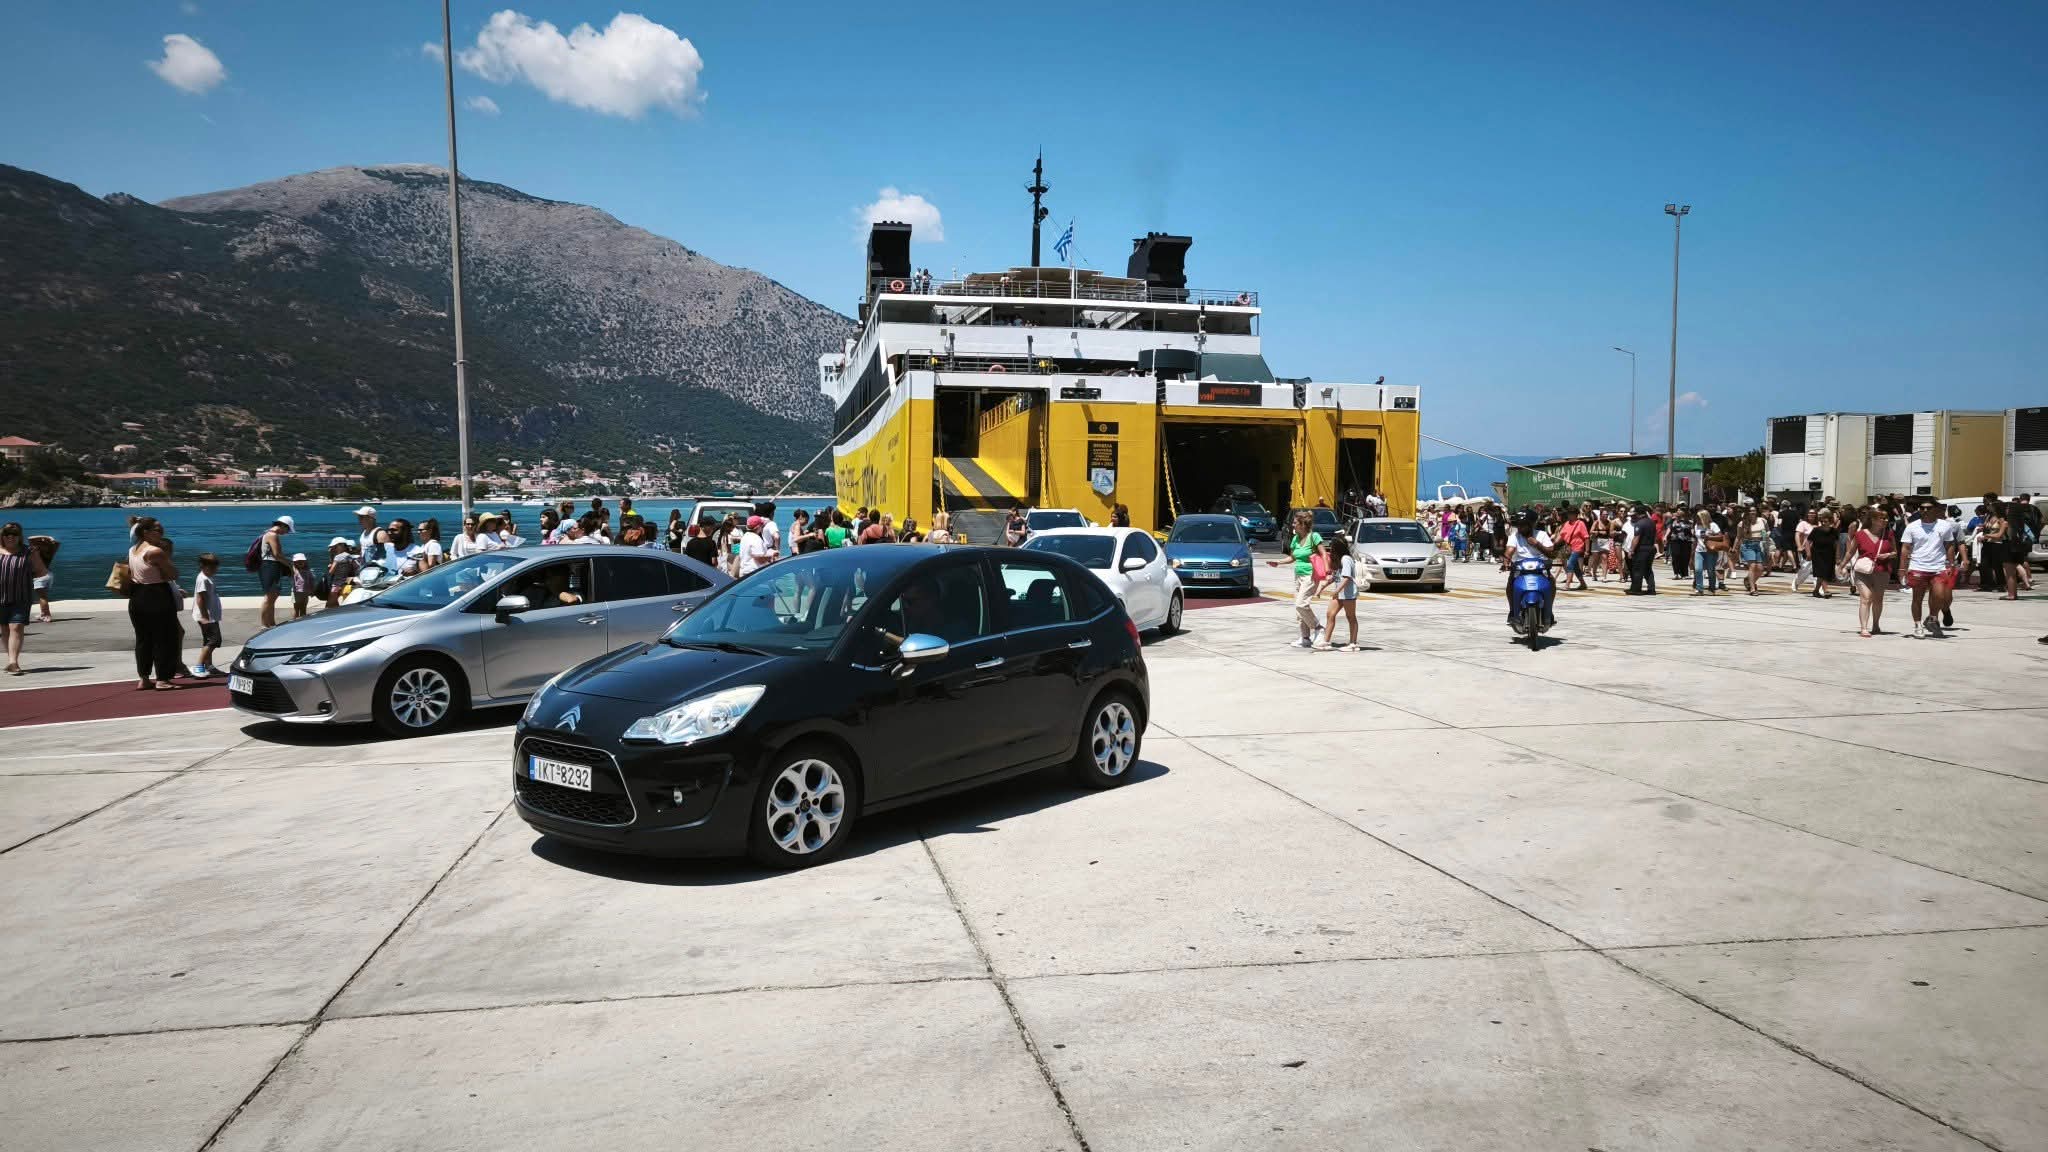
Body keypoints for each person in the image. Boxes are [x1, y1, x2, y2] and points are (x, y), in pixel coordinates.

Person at [127, 517, 183, 690]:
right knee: (165, 637)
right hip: (157, 595)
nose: (161, 533)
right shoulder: (155, 551)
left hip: (137, 596)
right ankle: (163, 679)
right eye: (158, 530)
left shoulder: (133, 549)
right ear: (145, 532)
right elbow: (173, 574)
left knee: (143, 639)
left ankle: (144, 678)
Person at [1899, 500, 1960, 638]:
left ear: (1935, 509)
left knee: (1940, 595)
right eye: (1922, 508)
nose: (1925, 511)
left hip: (1938, 566)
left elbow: (1949, 545)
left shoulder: (1944, 525)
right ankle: (1918, 625)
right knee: (1917, 598)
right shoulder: (1912, 527)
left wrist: (1952, 564)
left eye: (1928, 508)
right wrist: (1902, 568)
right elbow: (1905, 548)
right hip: (1918, 566)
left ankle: (1932, 618)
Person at [0, 522, 50, 676]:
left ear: (19, 536)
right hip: (1, 598)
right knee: (4, 628)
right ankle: (10, 659)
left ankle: (13, 662)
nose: (10, 537)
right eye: (7, 534)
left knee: (16, 627)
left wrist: (26, 574)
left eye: (14, 534)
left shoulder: (29, 552)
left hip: (21, 597)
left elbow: (42, 572)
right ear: (2, 536)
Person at [1273, 509, 1324, 649]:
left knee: (1301, 604)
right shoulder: (1295, 539)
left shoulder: (1314, 537)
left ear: (1302, 524)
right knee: (1299, 610)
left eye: (1295, 522)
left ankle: (1318, 627)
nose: (1293, 525)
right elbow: (1293, 557)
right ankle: (1305, 638)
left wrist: (1327, 573)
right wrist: (1278, 562)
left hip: (1310, 575)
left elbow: (1324, 554)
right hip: (1298, 575)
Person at [1504, 509, 1557, 632]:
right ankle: (1512, 611)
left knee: (1552, 582)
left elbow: (1551, 552)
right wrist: (1506, 561)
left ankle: (1549, 610)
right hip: (1520, 568)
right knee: (1510, 584)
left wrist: (1537, 544)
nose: (1520, 528)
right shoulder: (1514, 536)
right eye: (1519, 525)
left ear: (1531, 524)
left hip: (1540, 568)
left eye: (1523, 525)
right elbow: (1509, 550)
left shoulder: (1541, 535)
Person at [1849, 506, 1895, 638]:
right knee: (1866, 597)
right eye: (1882, 518)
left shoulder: (1889, 534)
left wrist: (1887, 555)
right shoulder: (1860, 534)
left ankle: (1875, 625)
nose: (1885, 520)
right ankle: (1864, 628)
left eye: (1886, 518)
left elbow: (1895, 552)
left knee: (1878, 599)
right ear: (1873, 520)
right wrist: (1841, 565)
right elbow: (1851, 552)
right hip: (1863, 570)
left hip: (1882, 570)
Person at [1314, 533, 1361, 651]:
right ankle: (1326, 641)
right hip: (1339, 594)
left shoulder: (1346, 559)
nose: (1331, 549)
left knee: (1350, 617)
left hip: (1348, 593)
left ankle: (1353, 644)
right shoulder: (1339, 560)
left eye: (1332, 547)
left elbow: (1347, 577)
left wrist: (1336, 591)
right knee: (1330, 614)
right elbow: (1335, 577)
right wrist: (1321, 589)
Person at [256, 514, 294, 629]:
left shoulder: (268, 533)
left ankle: (271, 623)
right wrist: (290, 564)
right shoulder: (272, 535)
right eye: (287, 530)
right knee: (270, 596)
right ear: (283, 526)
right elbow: (277, 555)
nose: (286, 533)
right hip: (269, 566)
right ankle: (264, 624)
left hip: (269, 566)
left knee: (272, 596)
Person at [189, 553, 223, 677]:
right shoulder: (203, 579)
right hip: (206, 616)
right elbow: (200, 599)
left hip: (210, 615)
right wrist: (204, 616)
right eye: (211, 567)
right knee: (214, 640)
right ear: (202, 566)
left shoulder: (208, 578)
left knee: (208, 640)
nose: (215, 569)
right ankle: (199, 666)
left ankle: (208, 665)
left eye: (215, 567)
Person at [1626, 504, 1658, 596]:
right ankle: (1651, 589)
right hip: (1650, 548)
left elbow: (1636, 538)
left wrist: (1631, 550)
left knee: (1637, 569)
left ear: (1638, 513)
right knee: (1648, 569)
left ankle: (1636, 589)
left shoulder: (1640, 523)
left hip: (1642, 549)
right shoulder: (1651, 522)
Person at [1808, 509, 1839, 599]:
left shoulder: (1834, 531)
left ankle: (1816, 590)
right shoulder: (1816, 530)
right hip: (1817, 554)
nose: (1824, 523)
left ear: (1830, 521)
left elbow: (1837, 545)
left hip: (1829, 554)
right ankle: (1826, 590)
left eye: (1826, 521)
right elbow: (1808, 542)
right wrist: (1808, 553)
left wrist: (1837, 556)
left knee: (1824, 573)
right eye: (1822, 521)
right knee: (1822, 572)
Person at [1740, 504, 1770, 595]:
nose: (1752, 512)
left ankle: (1748, 580)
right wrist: (1734, 548)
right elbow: (1738, 536)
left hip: (1759, 544)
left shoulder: (1762, 520)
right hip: (1748, 545)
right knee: (1752, 566)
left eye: (1754, 510)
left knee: (1760, 568)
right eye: (1750, 511)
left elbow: (1768, 530)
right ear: (1747, 512)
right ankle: (1752, 588)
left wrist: (1767, 535)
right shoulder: (1743, 523)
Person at [323, 538, 358, 609]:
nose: (334, 549)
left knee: (329, 605)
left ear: (341, 546)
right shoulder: (349, 556)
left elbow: (331, 571)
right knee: (335, 603)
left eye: (335, 547)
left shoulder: (338, 557)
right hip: (345, 582)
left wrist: (330, 566)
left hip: (336, 584)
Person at [287, 553, 313, 619]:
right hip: (296, 593)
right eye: (298, 561)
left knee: (303, 609)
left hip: (305, 593)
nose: (300, 563)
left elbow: (311, 581)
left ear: (305, 562)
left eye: (302, 561)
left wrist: (312, 590)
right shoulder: (294, 570)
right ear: (294, 563)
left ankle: (302, 621)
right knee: (296, 610)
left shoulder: (308, 571)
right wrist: (292, 562)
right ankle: (295, 622)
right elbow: (289, 563)